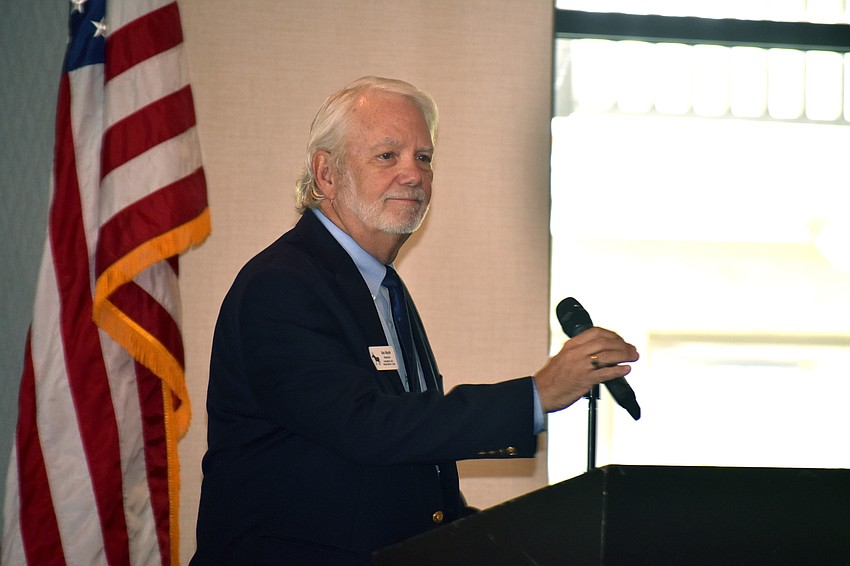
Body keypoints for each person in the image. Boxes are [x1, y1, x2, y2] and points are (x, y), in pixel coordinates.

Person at [191, 76, 639, 565]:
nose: (413, 175)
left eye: (423, 158)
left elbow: (410, 457)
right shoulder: (282, 284)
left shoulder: (383, 287)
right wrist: (535, 394)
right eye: (388, 156)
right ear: (326, 175)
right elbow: (365, 427)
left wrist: (511, 540)